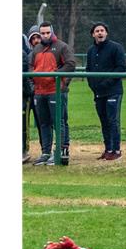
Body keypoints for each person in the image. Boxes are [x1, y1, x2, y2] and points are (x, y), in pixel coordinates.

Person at [30, 23, 76, 166]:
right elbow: (31, 67)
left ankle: (60, 151)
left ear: (52, 32)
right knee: (44, 123)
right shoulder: (36, 49)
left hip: (55, 91)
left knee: (59, 122)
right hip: (39, 92)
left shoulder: (62, 47)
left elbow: (70, 64)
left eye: (47, 33)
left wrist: (59, 79)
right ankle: (45, 152)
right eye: (42, 33)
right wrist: (34, 81)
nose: (45, 35)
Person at [85, 22, 126, 161]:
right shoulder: (91, 50)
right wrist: (93, 85)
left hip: (113, 91)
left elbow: (121, 68)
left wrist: (106, 83)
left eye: (102, 30)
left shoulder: (116, 48)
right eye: (97, 31)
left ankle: (116, 150)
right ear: (93, 34)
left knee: (112, 120)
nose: (100, 33)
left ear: (106, 33)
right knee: (103, 121)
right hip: (98, 93)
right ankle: (108, 149)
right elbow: (88, 70)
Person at [23, 28, 38, 163]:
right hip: (29, 93)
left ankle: (48, 150)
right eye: (32, 38)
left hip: (39, 93)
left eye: (37, 37)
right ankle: (24, 150)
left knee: (44, 123)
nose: (36, 41)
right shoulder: (27, 55)